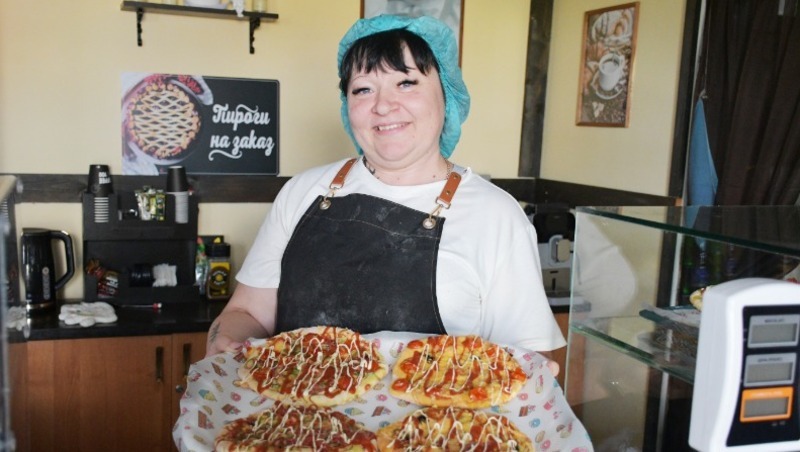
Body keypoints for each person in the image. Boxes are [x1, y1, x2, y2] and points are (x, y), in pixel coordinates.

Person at [205, 15, 566, 369]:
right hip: (298, 407)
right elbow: (248, 312)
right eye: (363, 89)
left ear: (447, 96)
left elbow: (529, 363)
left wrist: (532, 374)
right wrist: (226, 339)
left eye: (406, 83)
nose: (382, 105)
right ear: (348, 105)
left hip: (436, 411)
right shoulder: (301, 192)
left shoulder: (496, 216)